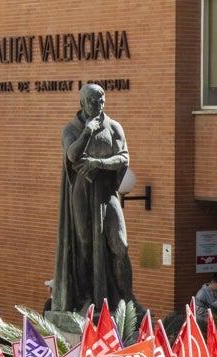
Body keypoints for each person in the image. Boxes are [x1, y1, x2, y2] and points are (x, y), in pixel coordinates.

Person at [53, 82, 135, 311]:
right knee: (84, 243)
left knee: (120, 245)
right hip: (81, 193)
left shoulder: (114, 127)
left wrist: (99, 163)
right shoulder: (71, 129)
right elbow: (72, 154)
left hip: (107, 195)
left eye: (101, 101)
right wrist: (88, 132)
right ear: (82, 102)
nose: (97, 105)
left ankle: (127, 300)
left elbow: (123, 158)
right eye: (92, 101)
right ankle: (85, 297)